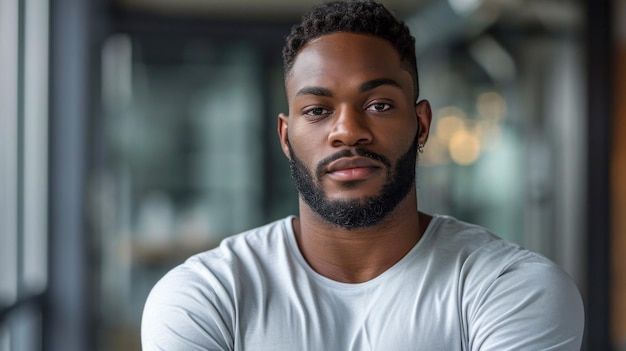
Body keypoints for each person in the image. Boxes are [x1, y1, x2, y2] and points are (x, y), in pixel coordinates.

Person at [141, 1, 585, 350]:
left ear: (422, 124)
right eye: (317, 110)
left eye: (379, 106)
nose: (348, 131)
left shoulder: (509, 288)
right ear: (285, 136)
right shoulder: (208, 297)